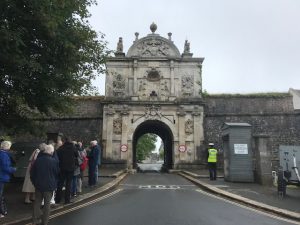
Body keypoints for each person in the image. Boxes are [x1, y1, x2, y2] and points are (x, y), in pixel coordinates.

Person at [30, 144, 59, 225]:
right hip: (49, 186)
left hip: (38, 185)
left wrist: (34, 183)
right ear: (51, 152)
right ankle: (45, 222)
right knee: (47, 205)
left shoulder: (38, 160)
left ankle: (35, 221)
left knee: (37, 203)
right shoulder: (54, 161)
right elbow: (57, 174)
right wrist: (54, 183)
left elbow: (32, 173)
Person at [55, 137, 78, 204]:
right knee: (68, 184)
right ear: (70, 141)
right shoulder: (73, 147)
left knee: (60, 184)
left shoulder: (61, 148)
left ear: (65, 141)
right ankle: (67, 200)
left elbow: (57, 156)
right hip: (71, 168)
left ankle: (57, 200)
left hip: (62, 168)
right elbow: (76, 155)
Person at [0, 141, 17, 218]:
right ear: (7, 147)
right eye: (10, 146)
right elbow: (5, 167)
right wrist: (13, 169)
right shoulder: (4, 155)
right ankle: (1, 212)